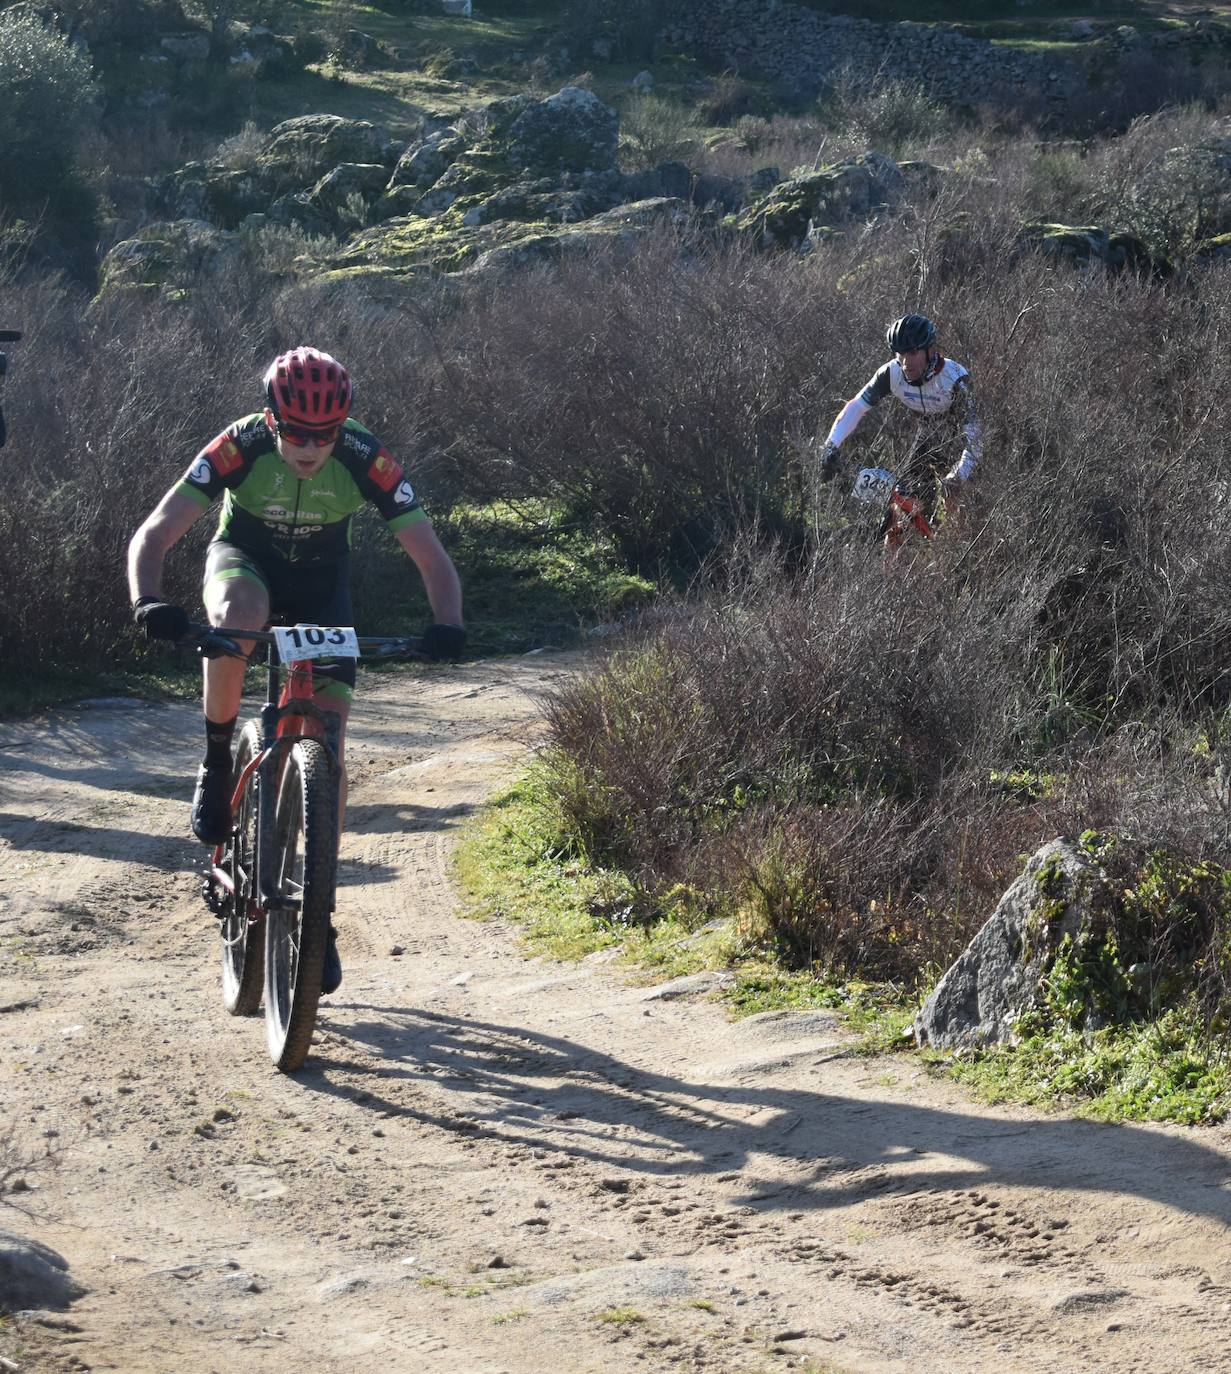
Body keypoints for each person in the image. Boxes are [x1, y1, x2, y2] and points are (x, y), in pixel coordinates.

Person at [126, 346, 465, 993]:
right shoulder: (239, 446)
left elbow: (429, 552)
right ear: (271, 419)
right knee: (238, 619)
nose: (310, 448)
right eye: (296, 434)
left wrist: (446, 623)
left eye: (324, 436)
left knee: (328, 743)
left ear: (341, 429)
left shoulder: (366, 456)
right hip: (244, 560)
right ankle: (217, 756)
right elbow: (156, 532)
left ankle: (318, 913)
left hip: (320, 586)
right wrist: (149, 601)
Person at [816, 313, 983, 528]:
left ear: (930, 350)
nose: (906, 361)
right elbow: (857, 407)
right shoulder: (890, 373)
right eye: (901, 353)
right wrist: (830, 445)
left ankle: (954, 552)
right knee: (900, 511)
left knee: (956, 504)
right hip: (926, 442)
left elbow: (976, 440)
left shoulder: (955, 379)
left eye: (913, 353)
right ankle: (895, 557)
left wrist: (959, 475)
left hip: (962, 446)